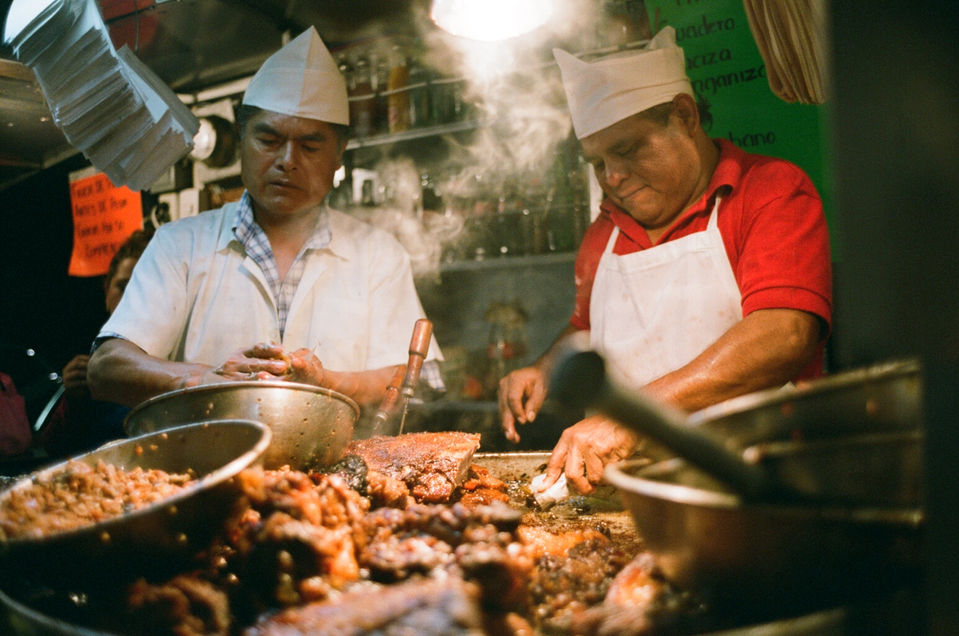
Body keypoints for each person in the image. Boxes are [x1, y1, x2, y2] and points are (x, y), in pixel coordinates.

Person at [498, 27, 832, 494]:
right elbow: (584, 327)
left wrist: (633, 417)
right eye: (596, 163)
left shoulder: (770, 192)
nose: (612, 176)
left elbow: (783, 335)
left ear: (684, 116)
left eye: (626, 149)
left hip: (755, 484)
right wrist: (544, 368)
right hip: (626, 494)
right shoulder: (604, 232)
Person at [88, 27, 442, 412]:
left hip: (342, 453)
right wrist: (206, 380)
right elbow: (106, 367)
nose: (287, 161)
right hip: (206, 449)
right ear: (242, 139)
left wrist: (326, 384)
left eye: (310, 146)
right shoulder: (179, 245)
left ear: (339, 153)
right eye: (269, 141)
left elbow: (416, 378)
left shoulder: (378, 254)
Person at [37, 228, 154, 457]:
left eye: (141, 288)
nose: (130, 297)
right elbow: (53, 448)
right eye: (123, 286)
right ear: (106, 290)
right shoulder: (92, 363)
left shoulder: (176, 356)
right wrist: (73, 399)